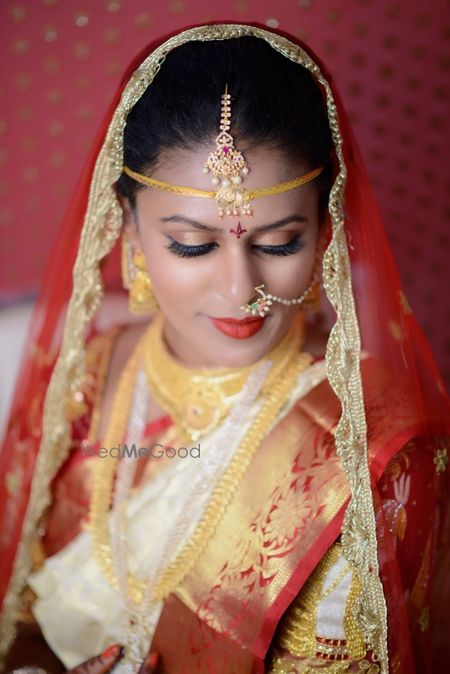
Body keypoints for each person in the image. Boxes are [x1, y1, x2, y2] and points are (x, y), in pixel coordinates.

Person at [0, 22, 449, 674]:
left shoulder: (375, 454)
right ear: (130, 231)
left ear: (326, 229)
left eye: (279, 242)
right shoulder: (84, 378)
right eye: (192, 245)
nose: (241, 289)